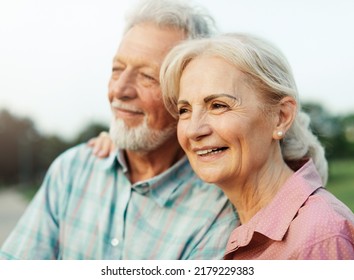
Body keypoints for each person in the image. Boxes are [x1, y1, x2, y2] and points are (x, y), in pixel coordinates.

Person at [0, 0, 238, 260]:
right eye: (117, 69)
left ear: (190, 92)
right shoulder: (71, 170)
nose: (120, 91)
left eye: (147, 76)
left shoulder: (219, 209)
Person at [159, 33, 354, 259]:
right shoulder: (222, 218)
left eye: (218, 105)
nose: (194, 130)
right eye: (184, 110)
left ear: (281, 117)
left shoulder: (319, 239)